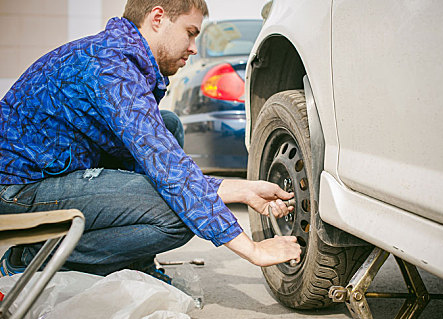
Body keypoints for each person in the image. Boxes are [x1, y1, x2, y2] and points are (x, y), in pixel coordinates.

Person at [0, 0, 301, 282]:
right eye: (190, 33)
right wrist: (254, 250)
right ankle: (31, 258)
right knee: (179, 216)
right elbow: (168, 169)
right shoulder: (110, 65)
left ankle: (134, 264)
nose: (193, 48)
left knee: (167, 126)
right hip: (17, 188)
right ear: (158, 19)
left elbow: (162, 159)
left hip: (49, 171)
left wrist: (244, 190)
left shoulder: (119, 56)